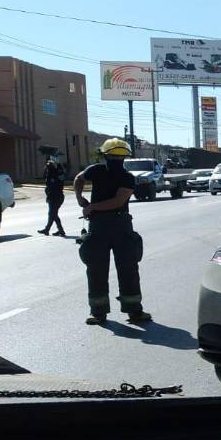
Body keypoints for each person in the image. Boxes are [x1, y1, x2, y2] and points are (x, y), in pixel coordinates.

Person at [73, 138, 151, 325]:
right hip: (118, 225)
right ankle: (133, 312)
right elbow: (117, 201)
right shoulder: (126, 177)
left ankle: (100, 313)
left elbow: (79, 179)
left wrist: (86, 204)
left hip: (103, 225)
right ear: (124, 156)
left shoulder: (97, 170)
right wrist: (82, 201)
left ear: (104, 155)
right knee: (126, 270)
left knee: (100, 270)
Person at [37, 157, 66, 237]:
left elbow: (52, 187)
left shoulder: (53, 175)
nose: (46, 170)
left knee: (52, 214)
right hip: (57, 197)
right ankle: (60, 231)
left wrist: (48, 194)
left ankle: (48, 229)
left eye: (47, 168)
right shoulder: (56, 174)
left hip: (55, 197)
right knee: (53, 214)